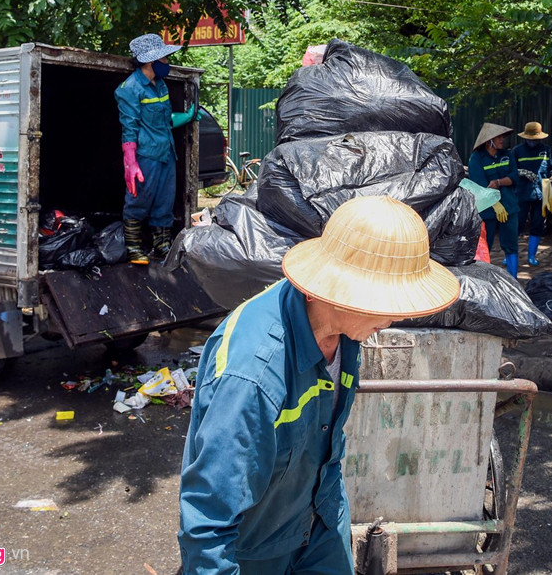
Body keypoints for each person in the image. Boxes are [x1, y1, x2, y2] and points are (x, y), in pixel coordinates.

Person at [179, 196, 460, 574]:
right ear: (344, 292)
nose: (399, 317)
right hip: (258, 551)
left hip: (322, 521)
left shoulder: (346, 331)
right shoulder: (252, 377)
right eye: (390, 303)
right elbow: (208, 520)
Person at [116, 33, 196, 264]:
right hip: (146, 156)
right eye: (164, 59)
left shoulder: (160, 86)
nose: (167, 63)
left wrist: (188, 117)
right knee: (139, 199)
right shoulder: (130, 88)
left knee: (165, 200)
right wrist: (130, 163)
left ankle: (162, 246)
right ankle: (133, 247)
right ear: (151, 61)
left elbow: (165, 120)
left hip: (166, 153)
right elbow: (129, 127)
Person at [467, 123, 519, 277]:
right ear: (489, 140)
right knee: (484, 245)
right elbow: (479, 185)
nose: (502, 139)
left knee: (511, 245)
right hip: (487, 210)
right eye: (498, 137)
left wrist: (499, 182)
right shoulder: (476, 159)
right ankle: (485, 279)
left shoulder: (507, 155)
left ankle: (514, 279)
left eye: (502, 136)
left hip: (509, 206)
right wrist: (494, 203)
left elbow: (514, 177)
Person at [510, 121, 552, 266]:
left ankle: (531, 256)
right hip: (522, 193)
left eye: (535, 138)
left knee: (537, 225)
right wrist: (522, 172)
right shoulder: (517, 151)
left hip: (541, 194)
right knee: (517, 225)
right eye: (530, 138)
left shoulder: (546, 150)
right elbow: (509, 170)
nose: (532, 141)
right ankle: (510, 254)